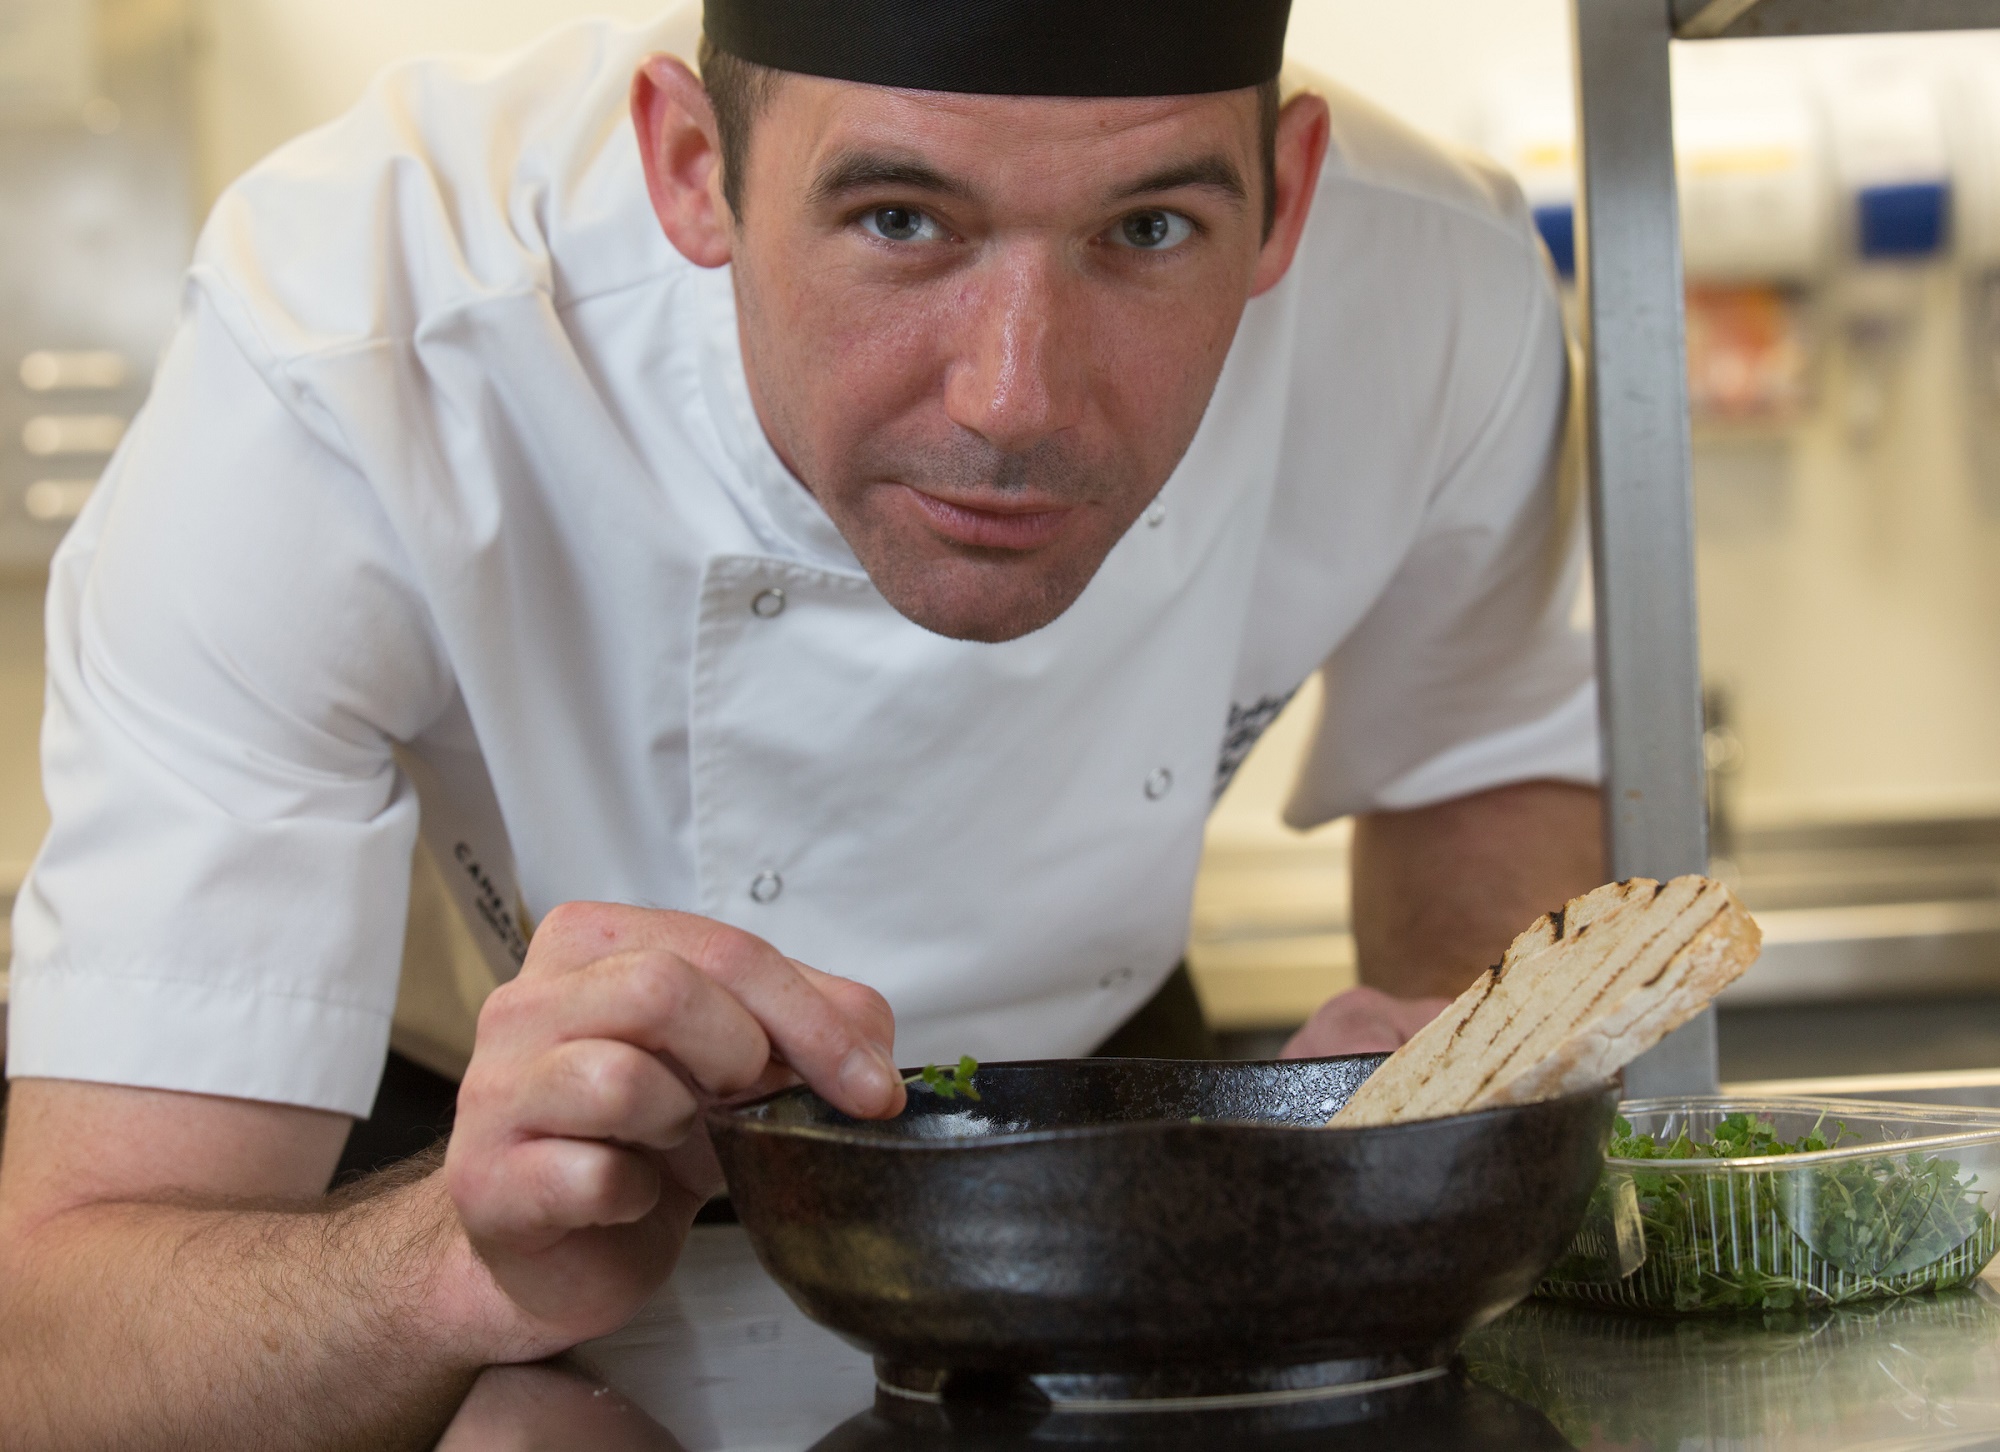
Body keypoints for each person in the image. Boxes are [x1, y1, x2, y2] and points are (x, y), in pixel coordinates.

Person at [0, 0, 1604, 1444]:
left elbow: (1492, 791)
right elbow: (58, 1343)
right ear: (693, 165)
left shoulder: (1435, 294)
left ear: (1288, 197)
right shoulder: (354, 353)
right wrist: (440, 1274)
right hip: (448, 1153)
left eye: (1150, 228)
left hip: (1100, 1133)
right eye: (901, 218)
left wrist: (1445, 1110)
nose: (1014, 400)